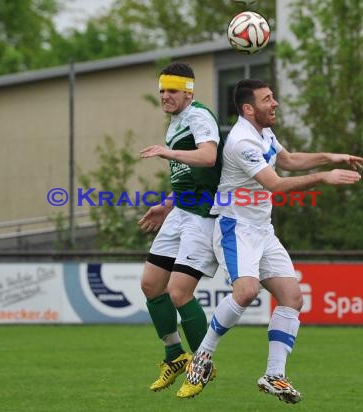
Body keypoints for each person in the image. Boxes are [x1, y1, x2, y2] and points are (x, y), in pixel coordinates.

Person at [177, 79, 363, 402]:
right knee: (246, 292)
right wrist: (324, 177)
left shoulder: (263, 132)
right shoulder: (240, 141)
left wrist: (332, 157)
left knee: (292, 297)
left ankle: (274, 375)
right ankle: (203, 356)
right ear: (249, 108)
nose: (275, 103)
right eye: (267, 99)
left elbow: (288, 160)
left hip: (262, 229)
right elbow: (276, 185)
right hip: (236, 228)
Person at [138, 62, 223, 393]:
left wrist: (167, 152)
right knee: (150, 285)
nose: (165, 96)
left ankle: (203, 363)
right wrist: (167, 203)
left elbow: (208, 158)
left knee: (178, 292)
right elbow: (188, 175)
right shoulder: (176, 122)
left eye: (172, 90)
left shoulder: (199, 117)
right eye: (161, 90)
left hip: (202, 215)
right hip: (182, 210)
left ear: (188, 91)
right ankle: (175, 355)